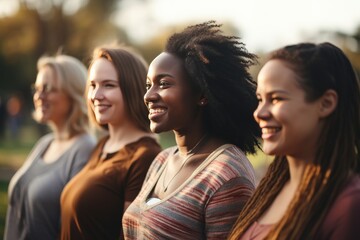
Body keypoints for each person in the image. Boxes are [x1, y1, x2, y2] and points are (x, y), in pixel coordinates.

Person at [122, 21, 261, 239]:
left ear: (202, 95)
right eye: (149, 85)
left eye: (164, 84)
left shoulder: (227, 175)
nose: (149, 96)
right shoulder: (162, 161)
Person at [228, 42, 360, 240]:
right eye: (260, 99)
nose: (259, 113)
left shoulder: (348, 204)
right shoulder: (270, 190)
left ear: (326, 103)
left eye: (276, 99)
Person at [60, 45, 162, 240]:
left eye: (108, 85)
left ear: (132, 89)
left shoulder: (145, 156)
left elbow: (129, 235)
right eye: (92, 85)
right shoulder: (103, 145)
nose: (96, 96)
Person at [4, 54, 96, 240]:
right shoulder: (45, 143)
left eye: (47, 88)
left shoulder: (85, 149)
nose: (39, 96)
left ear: (73, 94)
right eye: (36, 89)